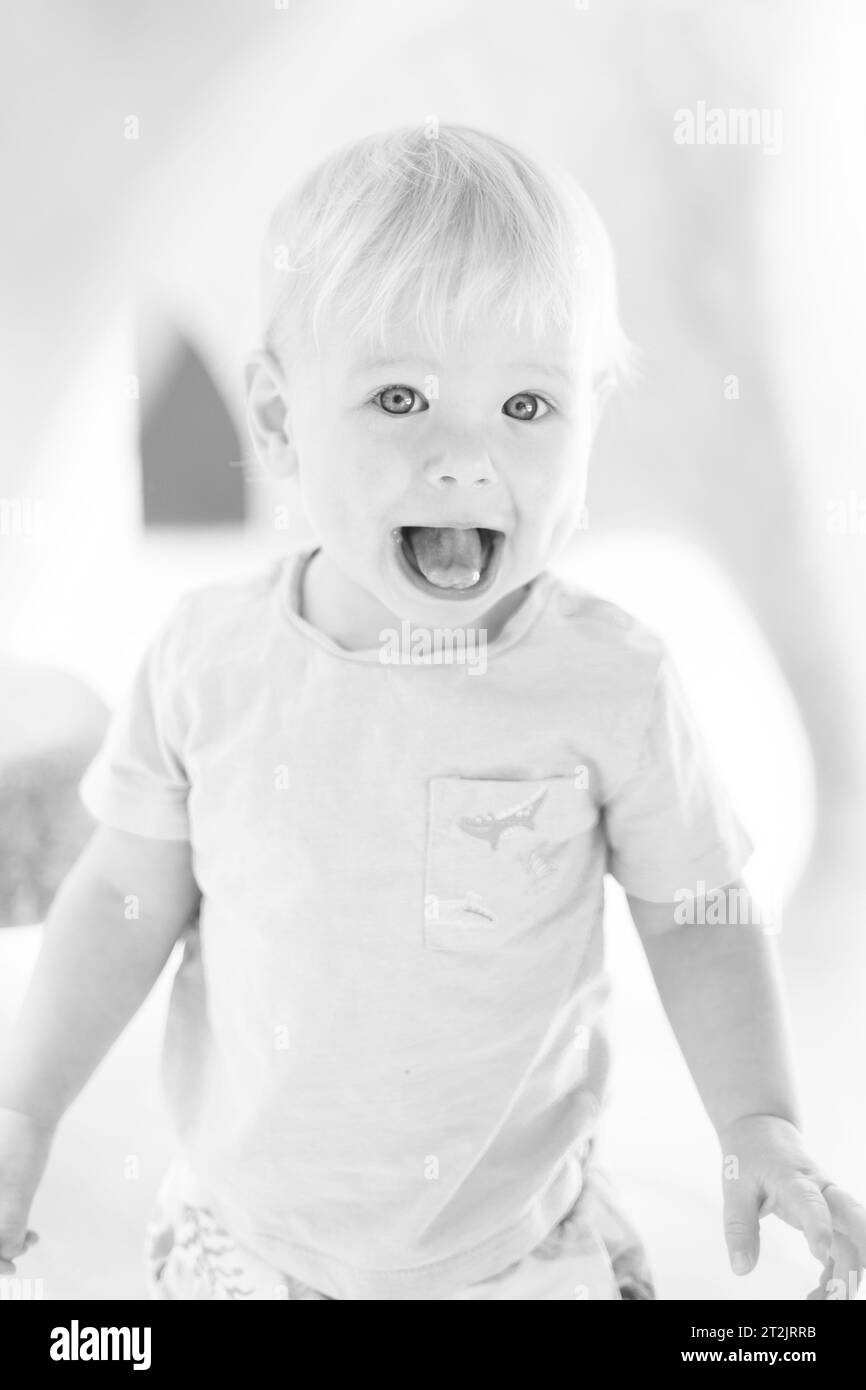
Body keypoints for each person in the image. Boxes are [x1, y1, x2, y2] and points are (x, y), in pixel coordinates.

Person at [1, 123, 863, 1300]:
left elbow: (697, 912)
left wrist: (757, 1116)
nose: (465, 458)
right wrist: (25, 1107)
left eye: (525, 405)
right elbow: (120, 899)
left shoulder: (610, 682)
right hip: (246, 1248)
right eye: (400, 396)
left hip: (515, 1251)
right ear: (276, 417)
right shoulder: (208, 662)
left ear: (591, 418)